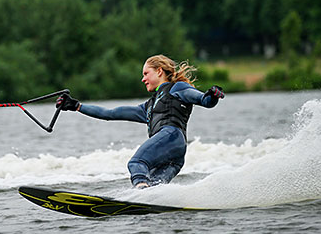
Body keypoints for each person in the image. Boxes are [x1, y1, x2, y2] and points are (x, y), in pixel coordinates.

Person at [56, 54, 224, 189]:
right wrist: (76, 106)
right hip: (176, 155)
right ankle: (148, 199)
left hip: (170, 137)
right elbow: (109, 113)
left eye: (146, 74)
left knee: (136, 163)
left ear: (159, 71)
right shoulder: (148, 107)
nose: (143, 79)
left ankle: (140, 193)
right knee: (154, 187)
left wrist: (213, 95)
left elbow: (204, 101)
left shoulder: (177, 88)